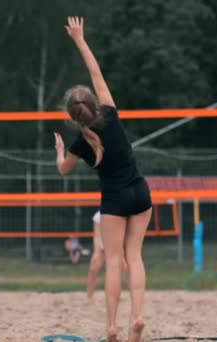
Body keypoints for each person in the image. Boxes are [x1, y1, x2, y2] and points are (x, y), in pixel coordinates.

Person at [54, 17, 152, 342]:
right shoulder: (110, 112)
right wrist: (80, 39)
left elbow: (63, 170)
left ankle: (112, 327)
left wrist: (58, 152)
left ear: (72, 117)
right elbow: (96, 72)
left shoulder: (81, 142)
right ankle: (136, 317)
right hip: (140, 192)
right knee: (134, 257)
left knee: (114, 261)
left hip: (114, 200)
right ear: (95, 105)